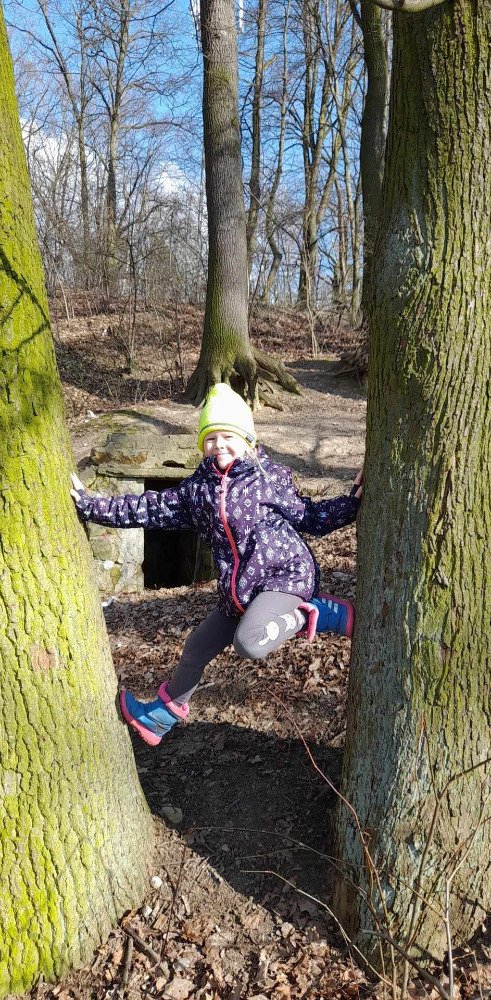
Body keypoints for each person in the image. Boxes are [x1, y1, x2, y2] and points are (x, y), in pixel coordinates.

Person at [71, 383, 363, 747]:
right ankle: (161, 717)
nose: (219, 445)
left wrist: (350, 504)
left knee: (249, 643)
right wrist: (91, 506)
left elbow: (308, 515)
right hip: (239, 592)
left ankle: (316, 612)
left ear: (247, 440)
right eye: (210, 438)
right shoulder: (198, 489)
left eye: (228, 436)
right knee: (196, 648)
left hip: (283, 578)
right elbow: (149, 508)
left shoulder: (267, 478)